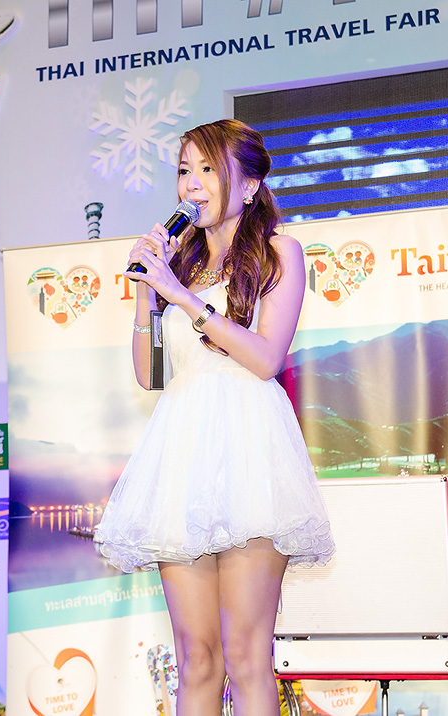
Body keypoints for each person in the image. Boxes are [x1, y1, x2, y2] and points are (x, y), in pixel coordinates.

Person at [93, 118, 335, 716]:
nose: (192, 184)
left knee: (247, 654)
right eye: (184, 170)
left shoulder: (279, 252)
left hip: (251, 448)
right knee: (196, 658)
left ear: (249, 185)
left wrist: (182, 297)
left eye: (207, 169)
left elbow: (266, 359)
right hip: (184, 453)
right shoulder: (180, 263)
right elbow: (150, 376)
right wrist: (148, 294)